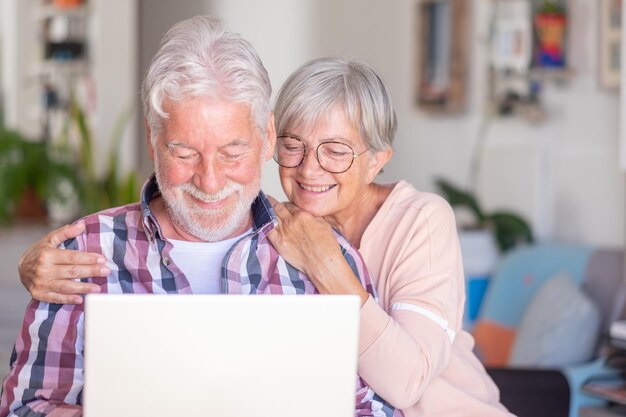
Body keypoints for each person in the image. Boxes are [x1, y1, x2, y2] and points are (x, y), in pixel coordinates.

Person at [10, 47, 513, 417]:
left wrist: (327, 264)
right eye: (296, 145)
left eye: (337, 150)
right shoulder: (90, 250)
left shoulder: (403, 227)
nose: (311, 169)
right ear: (276, 141)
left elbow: (397, 391)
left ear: (379, 158)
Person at [0, 16, 389, 417]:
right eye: (184, 154)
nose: (209, 180)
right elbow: (24, 409)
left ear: (267, 137)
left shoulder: (325, 258)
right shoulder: (82, 254)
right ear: (154, 143)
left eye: (232, 153)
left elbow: (374, 407)